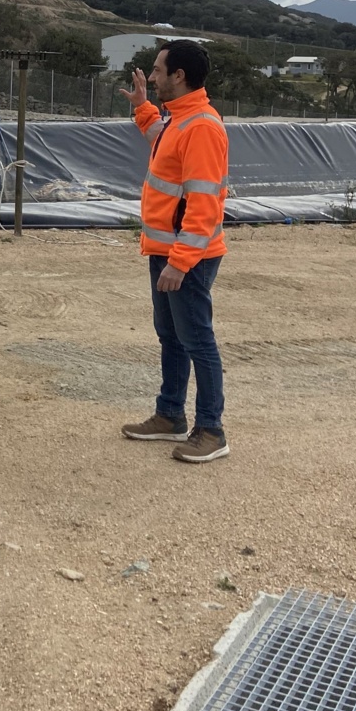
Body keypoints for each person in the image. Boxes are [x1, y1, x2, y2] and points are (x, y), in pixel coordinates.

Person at [119, 40, 230, 462]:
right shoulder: (180, 120)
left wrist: (182, 262)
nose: (151, 75)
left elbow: (204, 204)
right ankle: (170, 415)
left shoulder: (202, 126)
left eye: (158, 69)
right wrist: (144, 108)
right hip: (169, 250)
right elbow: (163, 143)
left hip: (188, 256)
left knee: (196, 339)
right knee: (171, 335)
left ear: (178, 76)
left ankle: (211, 430)